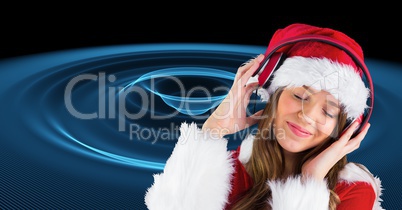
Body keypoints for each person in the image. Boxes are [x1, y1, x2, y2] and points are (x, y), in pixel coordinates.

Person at [144, 23, 384, 210]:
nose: (307, 116)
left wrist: (309, 183)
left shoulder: (353, 190)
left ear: (344, 128)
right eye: (300, 96)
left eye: (328, 111)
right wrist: (211, 132)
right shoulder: (228, 169)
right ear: (274, 99)